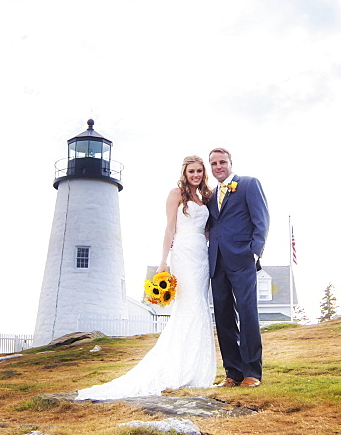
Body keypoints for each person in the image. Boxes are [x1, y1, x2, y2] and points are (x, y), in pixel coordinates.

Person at [76, 155, 216, 400]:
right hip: (182, 254)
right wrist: (163, 262)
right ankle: (176, 368)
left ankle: (197, 369)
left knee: (200, 306)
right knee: (189, 305)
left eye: (199, 171)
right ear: (184, 173)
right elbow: (169, 228)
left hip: (201, 256)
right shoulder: (176, 194)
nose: (196, 175)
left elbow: (207, 231)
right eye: (192, 171)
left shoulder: (206, 197)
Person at [207, 147, 269, 388]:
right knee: (223, 316)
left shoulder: (249, 184)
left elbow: (261, 219)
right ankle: (232, 373)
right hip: (217, 261)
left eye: (222, 162)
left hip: (242, 258)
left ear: (230, 163)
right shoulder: (211, 194)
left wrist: (254, 251)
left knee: (247, 313)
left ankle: (252, 372)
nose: (218, 167)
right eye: (214, 164)